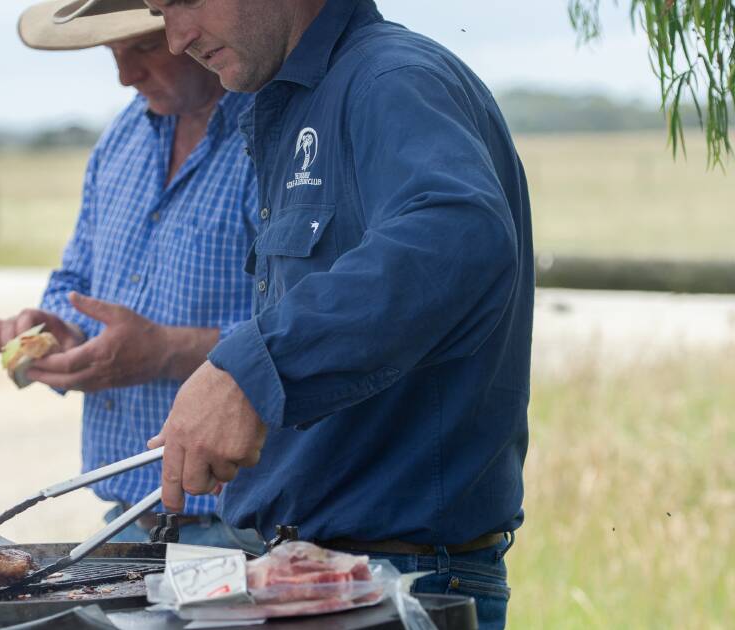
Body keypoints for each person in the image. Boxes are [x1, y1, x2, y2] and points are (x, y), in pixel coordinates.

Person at [120, 1, 534, 627]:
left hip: (396, 583)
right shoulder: (295, 104)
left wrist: (250, 375)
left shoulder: (390, 80)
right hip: (312, 572)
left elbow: (458, 240)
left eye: (186, 0)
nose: (176, 40)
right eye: (159, 11)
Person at [0, 0, 263, 553]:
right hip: (127, 512)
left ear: (194, 31)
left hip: (244, 524)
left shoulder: (274, 140)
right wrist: (60, 328)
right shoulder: (123, 136)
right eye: (114, 53)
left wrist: (167, 351)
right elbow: (74, 276)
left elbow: (315, 327)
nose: (126, 76)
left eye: (145, 47)